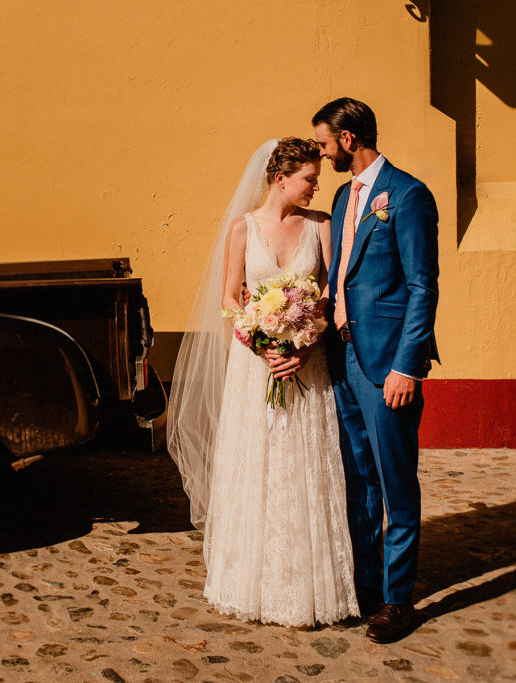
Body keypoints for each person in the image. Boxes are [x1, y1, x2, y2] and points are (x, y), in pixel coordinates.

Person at [167, 137, 358, 627]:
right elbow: (231, 297)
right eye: (309, 179)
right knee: (257, 467)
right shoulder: (241, 229)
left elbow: (331, 299)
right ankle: (248, 581)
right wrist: (262, 342)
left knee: (303, 467)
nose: (317, 186)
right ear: (281, 178)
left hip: (306, 367)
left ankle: (306, 586)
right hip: (256, 370)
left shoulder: (322, 227)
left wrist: (304, 344)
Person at [271, 98, 439, 643]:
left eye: (323, 143)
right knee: (356, 477)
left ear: (347, 139)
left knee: (394, 482)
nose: (320, 152)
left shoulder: (409, 195)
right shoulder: (344, 196)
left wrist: (407, 366)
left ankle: (397, 601)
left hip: (386, 366)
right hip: (339, 360)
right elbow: (335, 274)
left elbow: (422, 287)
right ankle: (364, 585)